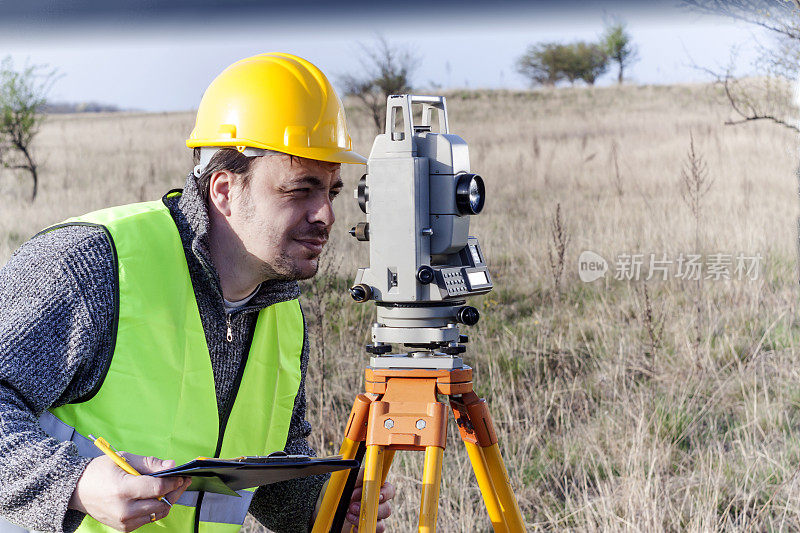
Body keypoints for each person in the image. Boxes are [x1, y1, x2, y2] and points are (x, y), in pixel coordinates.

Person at [0, 53, 394, 532]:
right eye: (300, 190)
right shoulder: (93, 265)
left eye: (331, 191)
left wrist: (324, 508)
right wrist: (78, 484)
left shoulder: (281, 311)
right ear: (224, 189)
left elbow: (259, 470)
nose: (325, 216)